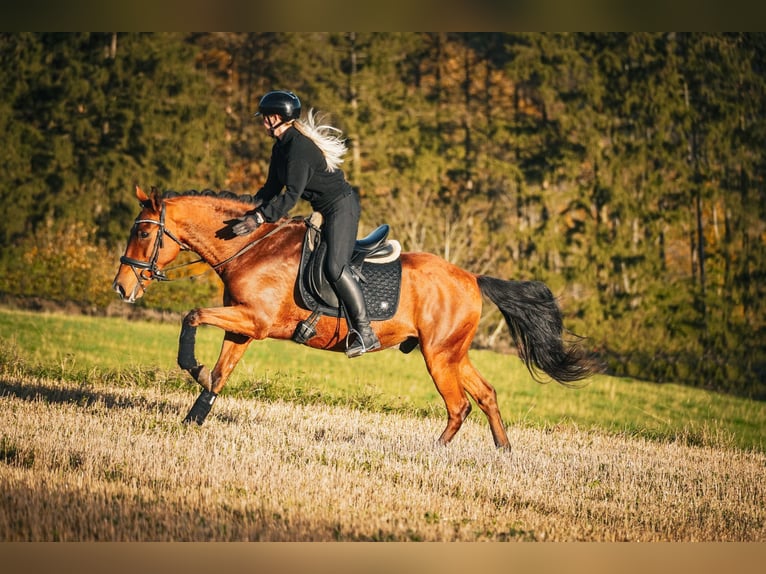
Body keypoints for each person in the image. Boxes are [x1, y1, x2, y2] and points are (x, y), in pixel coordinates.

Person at [231, 90, 381, 358]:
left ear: (276, 118)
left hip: (341, 208)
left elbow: (290, 197)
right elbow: (269, 190)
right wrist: (243, 211)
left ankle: (365, 332)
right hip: (324, 210)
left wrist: (260, 218)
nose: (263, 122)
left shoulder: (298, 149)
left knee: (335, 267)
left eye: (265, 118)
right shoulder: (281, 146)